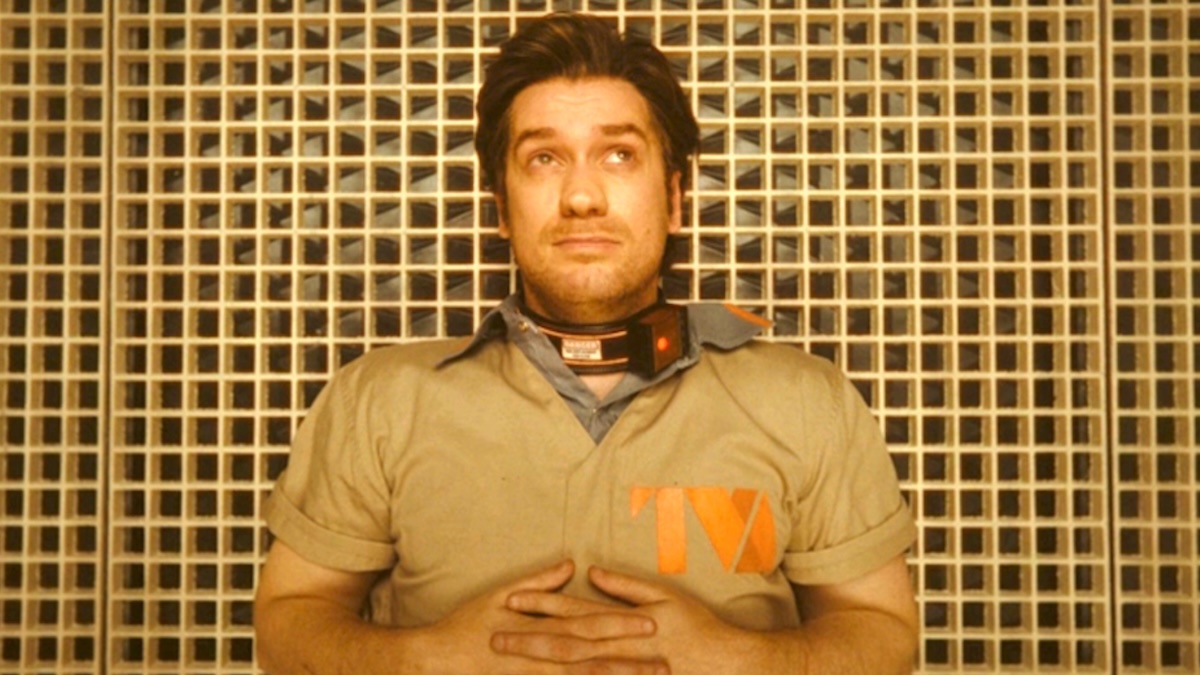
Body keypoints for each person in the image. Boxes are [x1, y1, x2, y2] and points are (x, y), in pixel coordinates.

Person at [254, 12, 918, 675]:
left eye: (619, 154)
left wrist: (739, 658)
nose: (580, 196)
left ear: (674, 199)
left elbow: (884, 632)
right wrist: (423, 658)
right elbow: (288, 620)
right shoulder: (379, 401)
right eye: (543, 159)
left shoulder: (804, 401)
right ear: (502, 208)